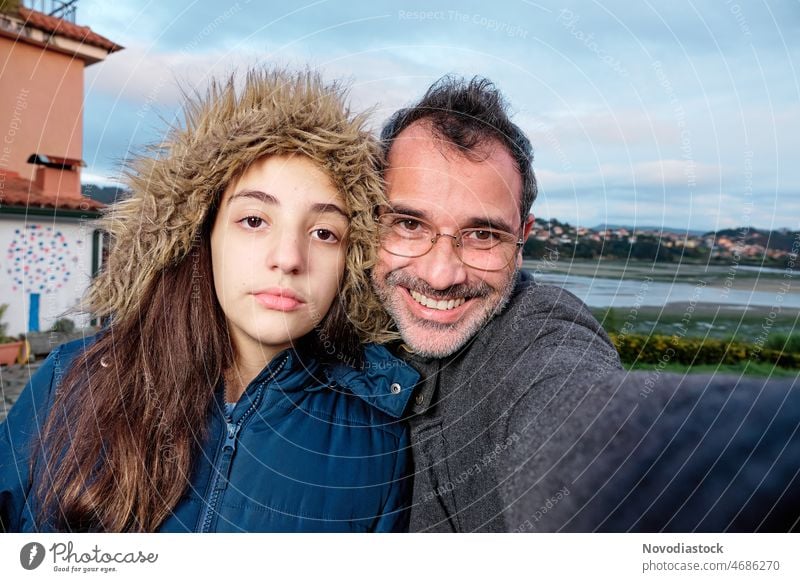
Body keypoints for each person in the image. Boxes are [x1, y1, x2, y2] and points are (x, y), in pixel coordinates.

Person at [373, 75, 799, 532]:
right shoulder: (311, 320)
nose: (441, 275)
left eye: (482, 235)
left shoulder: (537, 334)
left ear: (523, 238)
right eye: (410, 225)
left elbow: (589, 429)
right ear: (369, 218)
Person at [0, 69, 417, 532]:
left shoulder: (376, 441)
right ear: (204, 235)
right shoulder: (71, 382)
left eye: (324, 233)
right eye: (255, 220)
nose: (289, 258)